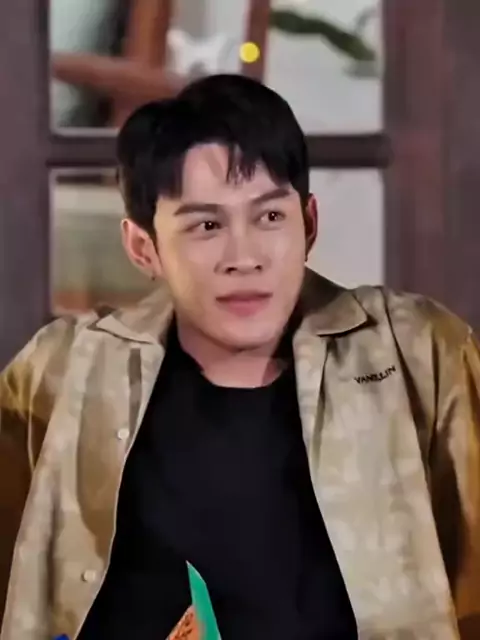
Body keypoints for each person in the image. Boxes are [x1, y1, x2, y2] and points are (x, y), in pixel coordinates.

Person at [0, 73, 480, 640]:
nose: (244, 257)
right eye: (206, 225)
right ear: (143, 247)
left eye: (270, 217)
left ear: (308, 224)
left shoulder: (418, 352)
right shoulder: (62, 372)